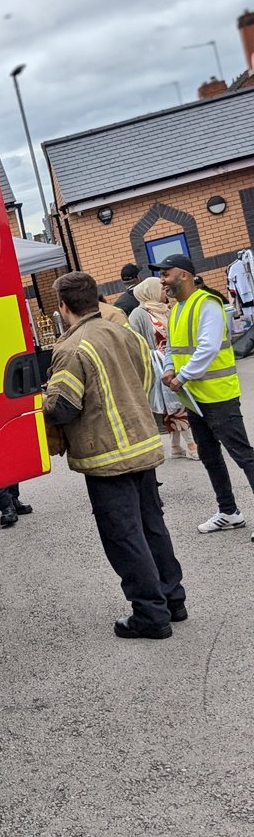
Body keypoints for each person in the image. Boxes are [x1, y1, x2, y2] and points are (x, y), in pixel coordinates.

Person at [44, 271, 185, 640]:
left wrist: (43, 402)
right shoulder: (124, 333)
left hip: (106, 456)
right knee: (152, 527)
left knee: (124, 537)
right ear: (96, 298)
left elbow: (63, 407)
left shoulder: (72, 348)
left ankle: (150, 615)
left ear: (63, 307)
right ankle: (173, 600)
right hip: (142, 446)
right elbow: (145, 380)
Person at [153, 253, 254, 536]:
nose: (162, 280)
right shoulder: (177, 309)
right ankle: (229, 511)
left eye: (166, 274)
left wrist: (181, 376)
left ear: (184, 275)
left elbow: (208, 348)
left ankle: (229, 510)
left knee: (243, 455)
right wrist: (169, 368)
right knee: (209, 455)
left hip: (218, 395)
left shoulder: (207, 303)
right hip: (194, 397)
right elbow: (172, 347)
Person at [128, 277, 199, 460]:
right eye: (160, 289)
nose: (164, 291)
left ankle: (175, 447)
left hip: (174, 362)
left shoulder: (166, 309)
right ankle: (191, 444)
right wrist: (152, 354)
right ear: (150, 292)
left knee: (174, 404)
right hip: (157, 367)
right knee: (177, 403)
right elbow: (133, 342)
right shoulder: (138, 314)